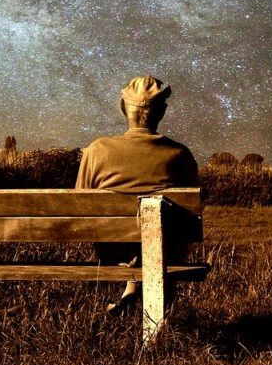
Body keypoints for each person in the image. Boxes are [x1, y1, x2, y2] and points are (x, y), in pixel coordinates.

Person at [75, 75, 200, 314]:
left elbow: (80, 204)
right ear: (162, 112)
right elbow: (191, 216)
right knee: (166, 232)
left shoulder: (97, 150)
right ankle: (157, 321)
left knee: (135, 236)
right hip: (166, 249)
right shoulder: (180, 154)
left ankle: (131, 290)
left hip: (111, 249)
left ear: (124, 109)